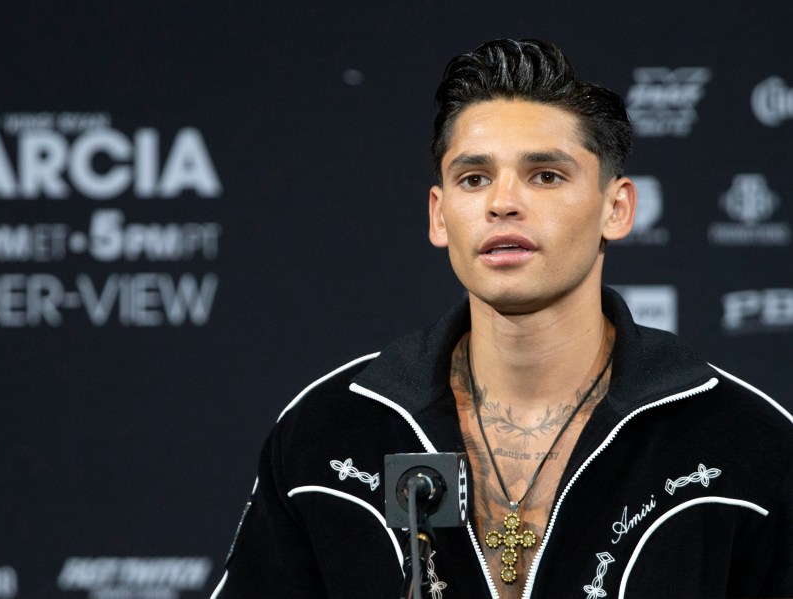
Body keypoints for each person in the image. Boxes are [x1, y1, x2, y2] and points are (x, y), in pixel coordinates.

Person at [210, 38, 793, 599]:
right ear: (440, 216)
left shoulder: (745, 442)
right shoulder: (331, 431)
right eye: (474, 178)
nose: (502, 201)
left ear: (617, 209)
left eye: (546, 175)